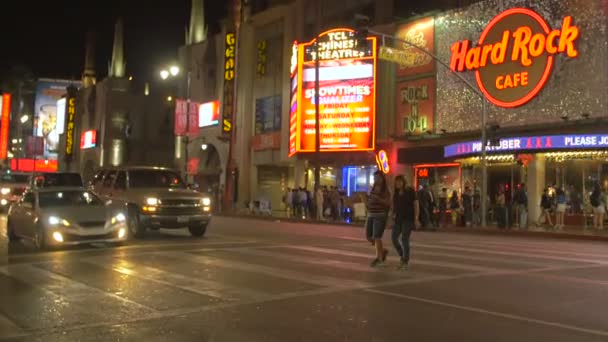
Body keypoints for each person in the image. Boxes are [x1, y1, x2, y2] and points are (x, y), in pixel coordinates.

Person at [391, 175, 419, 269]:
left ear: (403, 182)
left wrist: (416, 218)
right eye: (396, 182)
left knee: (404, 239)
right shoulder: (396, 193)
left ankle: (405, 261)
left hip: (408, 219)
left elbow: (416, 205)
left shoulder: (410, 191)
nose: (397, 183)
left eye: (399, 181)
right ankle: (402, 255)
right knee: (394, 238)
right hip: (398, 219)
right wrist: (392, 215)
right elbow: (394, 206)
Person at [365, 171, 391, 267]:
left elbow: (388, 203)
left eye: (378, 178)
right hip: (371, 214)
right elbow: (369, 200)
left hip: (380, 215)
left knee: (377, 237)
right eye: (375, 178)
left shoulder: (385, 190)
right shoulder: (372, 188)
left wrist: (378, 199)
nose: (376, 180)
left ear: (382, 179)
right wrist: (367, 202)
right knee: (368, 236)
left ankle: (379, 258)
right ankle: (382, 251)